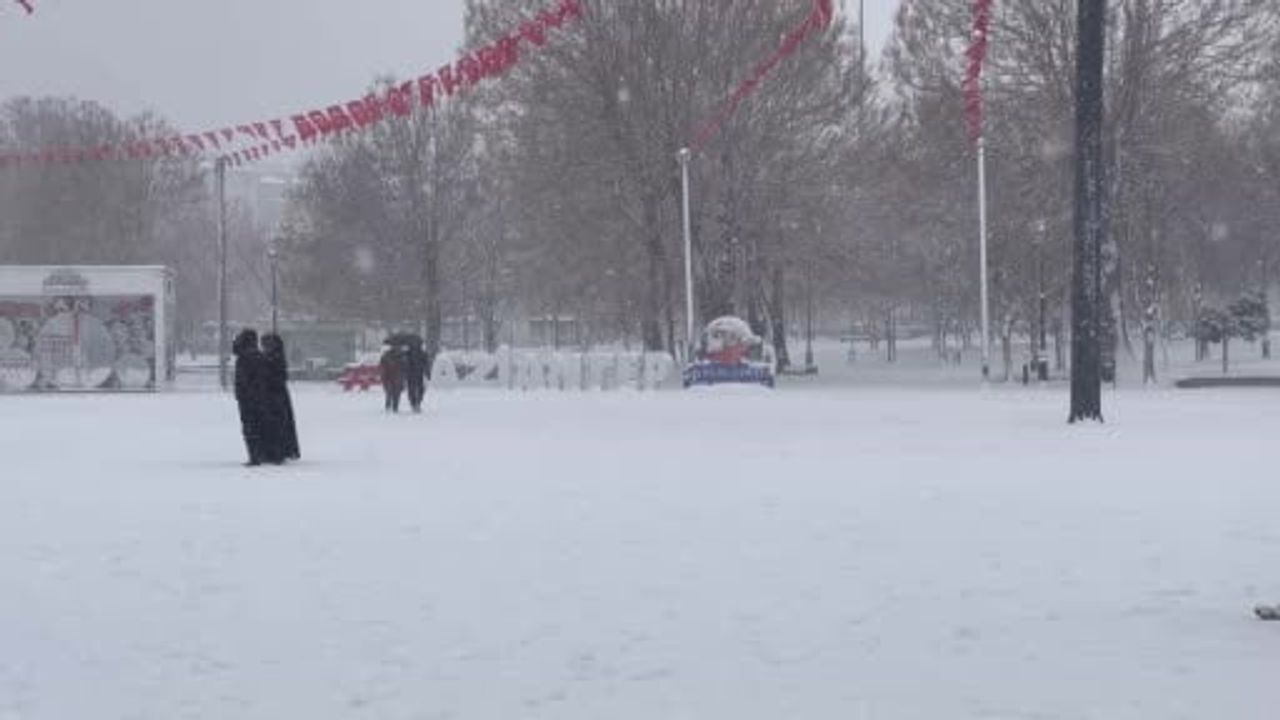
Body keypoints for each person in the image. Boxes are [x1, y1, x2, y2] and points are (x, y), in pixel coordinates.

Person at [232, 329, 280, 466]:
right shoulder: (258, 356)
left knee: (250, 427)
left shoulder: (245, 357)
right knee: (261, 426)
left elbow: (246, 380)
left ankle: (255, 456)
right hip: (259, 398)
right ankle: (266, 454)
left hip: (249, 399)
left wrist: (244, 394)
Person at [261, 333, 301, 462]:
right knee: (280, 424)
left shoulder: (274, 358)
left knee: (278, 424)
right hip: (277, 396)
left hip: (275, 396)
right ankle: (280, 449)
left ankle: (278, 450)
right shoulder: (276, 356)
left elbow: (278, 377)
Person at [380, 342, 405, 413]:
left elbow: (405, 366)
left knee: (397, 393)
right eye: (395, 346)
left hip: (398, 376)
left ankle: (395, 406)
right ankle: (389, 404)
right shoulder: (387, 355)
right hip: (389, 376)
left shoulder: (402, 355)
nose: (397, 348)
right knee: (389, 391)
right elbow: (382, 364)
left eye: (398, 346)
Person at [404, 340, 428, 413]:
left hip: (412, 374)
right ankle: (416, 403)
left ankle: (414, 403)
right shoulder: (421, 353)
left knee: (413, 390)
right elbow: (426, 363)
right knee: (419, 389)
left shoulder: (407, 353)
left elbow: (426, 363)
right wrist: (427, 372)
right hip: (417, 373)